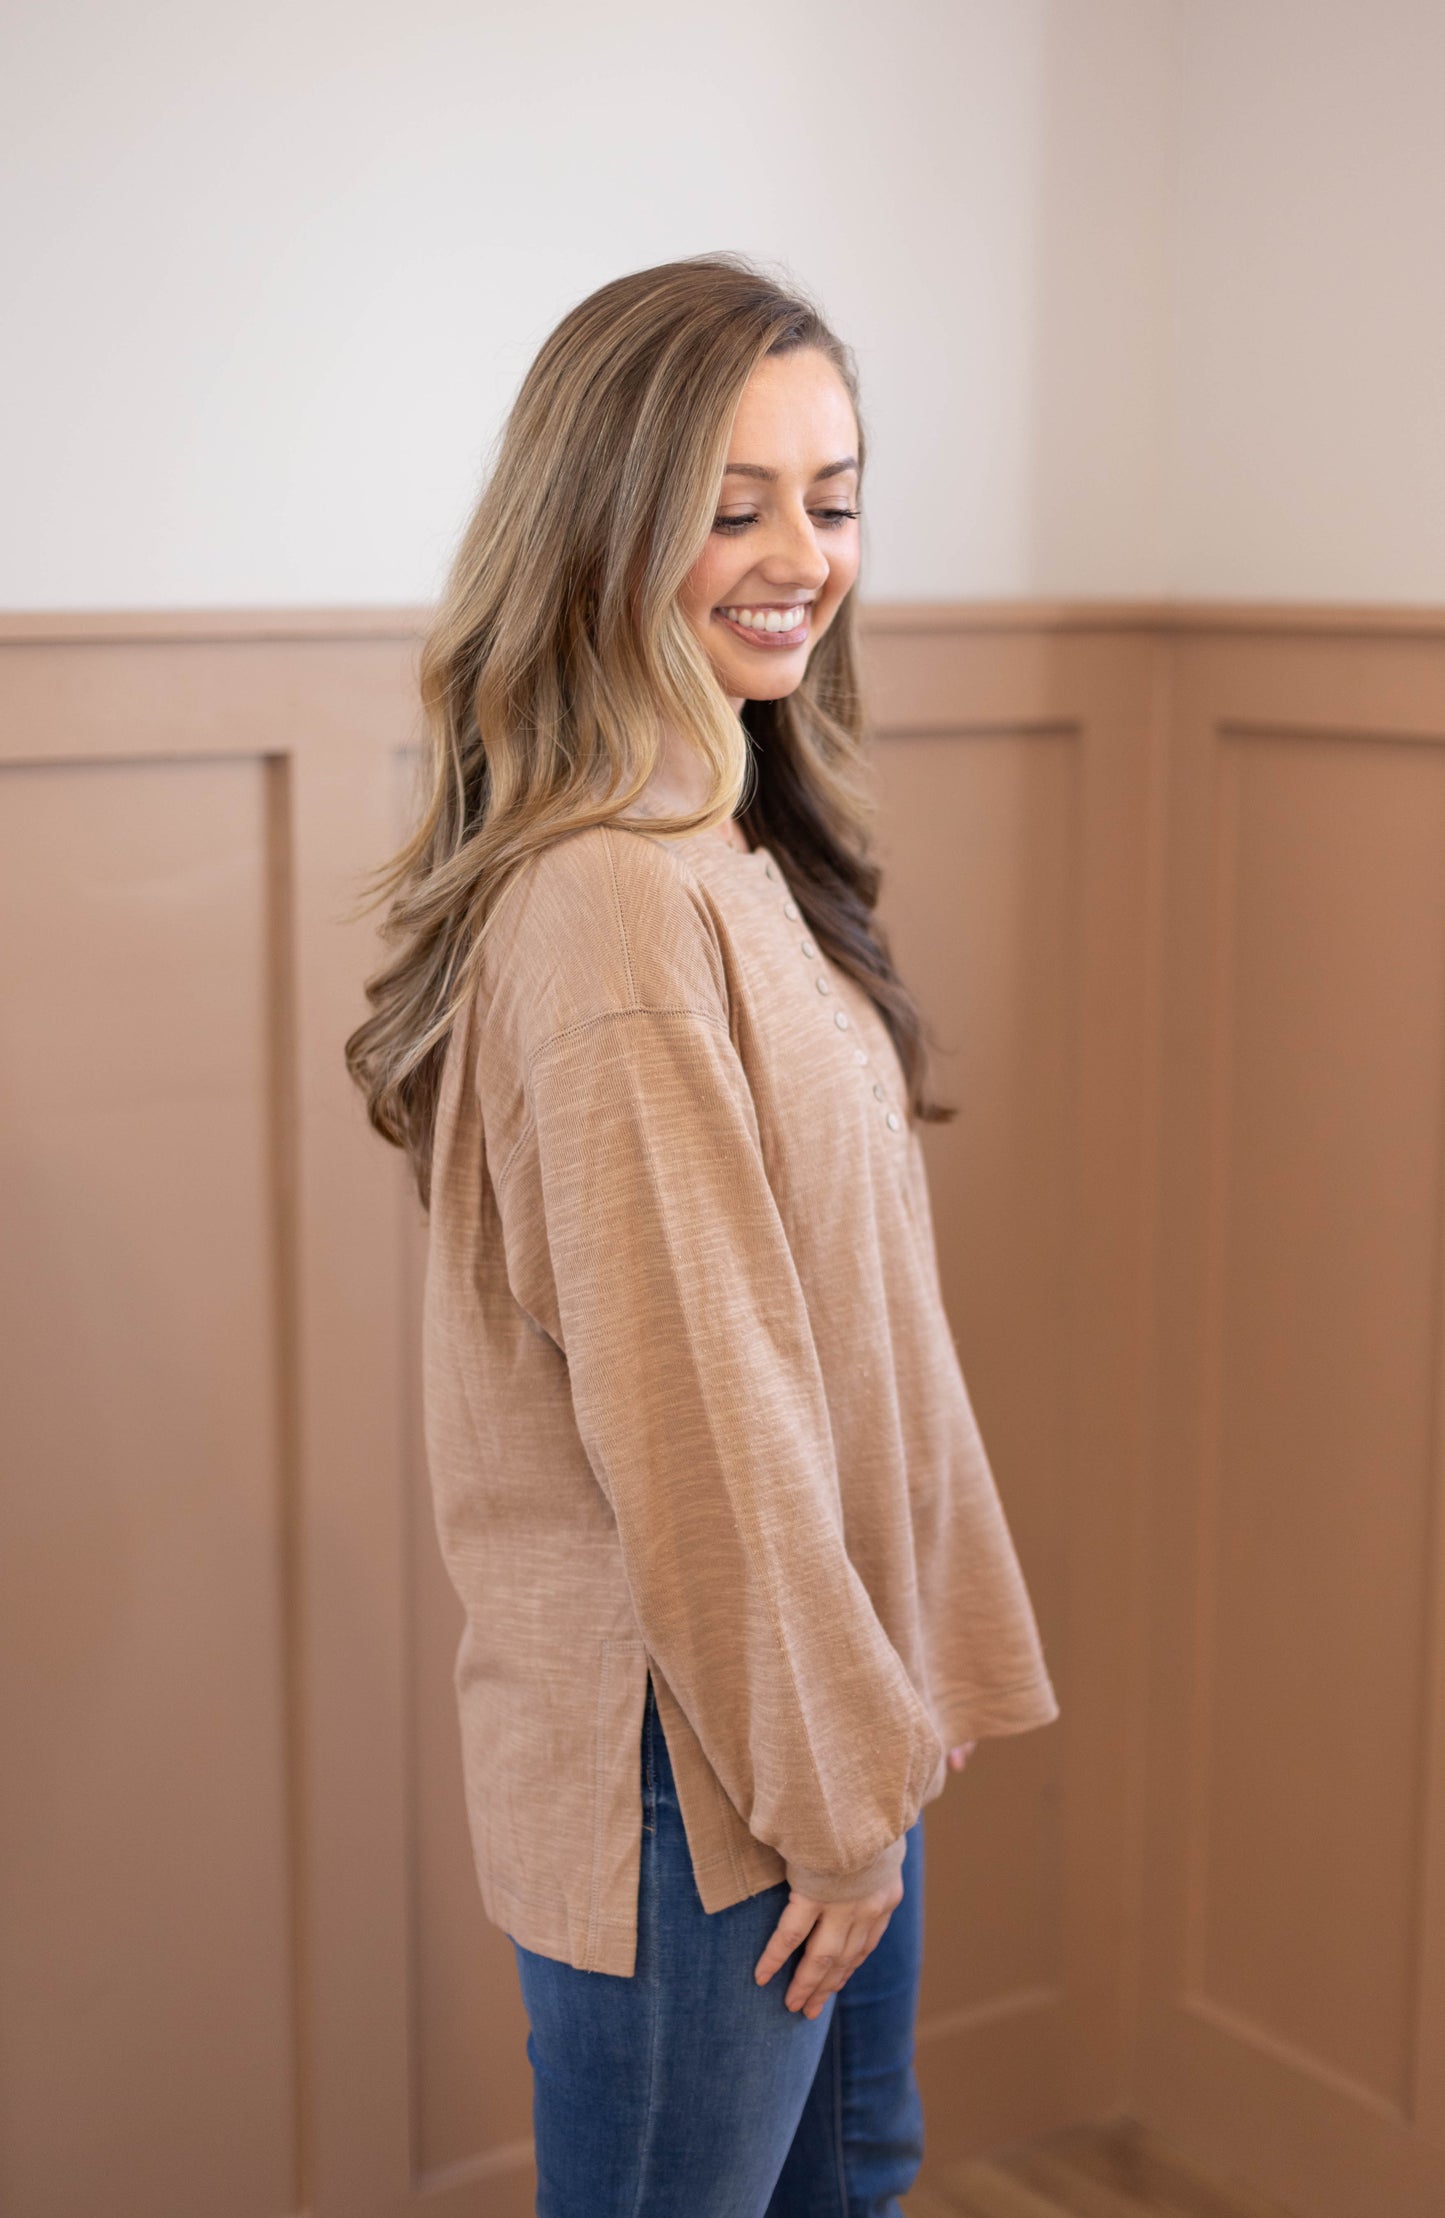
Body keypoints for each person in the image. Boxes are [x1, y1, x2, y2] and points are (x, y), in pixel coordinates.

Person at [345, 253, 1060, 2218]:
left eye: (831, 497)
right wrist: (838, 1808)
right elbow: (703, 1413)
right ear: (603, 521)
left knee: (858, 2178)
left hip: (820, 1717)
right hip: (709, 1775)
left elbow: (835, 1331)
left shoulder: (721, 841)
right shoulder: (612, 910)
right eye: (729, 502)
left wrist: (876, 1732)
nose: (797, 553)